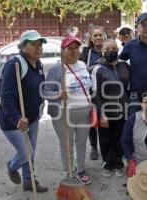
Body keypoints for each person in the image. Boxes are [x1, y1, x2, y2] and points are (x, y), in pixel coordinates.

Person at [0, 30, 48, 192]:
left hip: (32, 117)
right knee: (27, 152)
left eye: (40, 45)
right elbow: (6, 95)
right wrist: (16, 118)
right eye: (33, 44)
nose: (38, 48)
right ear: (23, 46)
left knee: (30, 154)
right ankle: (12, 167)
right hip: (13, 121)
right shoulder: (15, 65)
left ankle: (29, 181)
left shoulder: (38, 64)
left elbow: (39, 88)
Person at [43, 34, 92, 184]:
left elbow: (88, 87)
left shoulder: (83, 65)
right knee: (67, 145)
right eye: (69, 48)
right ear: (62, 50)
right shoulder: (57, 70)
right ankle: (69, 171)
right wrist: (58, 94)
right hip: (64, 114)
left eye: (76, 48)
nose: (73, 51)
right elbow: (45, 91)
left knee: (82, 143)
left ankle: (81, 169)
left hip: (84, 113)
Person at [91, 39, 129, 178]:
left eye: (113, 48)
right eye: (107, 49)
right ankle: (107, 164)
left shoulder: (124, 66)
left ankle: (118, 163)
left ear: (118, 50)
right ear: (102, 51)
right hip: (106, 111)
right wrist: (102, 115)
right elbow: (95, 94)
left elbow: (129, 87)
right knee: (105, 139)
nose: (110, 51)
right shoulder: (97, 68)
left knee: (119, 138)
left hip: (123, 110)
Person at [80, 26, 105, 160]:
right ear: (91, 38)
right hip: (90, 91)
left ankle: (105, 146)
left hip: (105, 91)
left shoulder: (109, 50)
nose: (98, 38)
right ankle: (94, 147)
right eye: (95, 35)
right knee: (91, 120)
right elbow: (80, 69)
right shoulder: (86, 52)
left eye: (100, 35)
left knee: (104, 118)